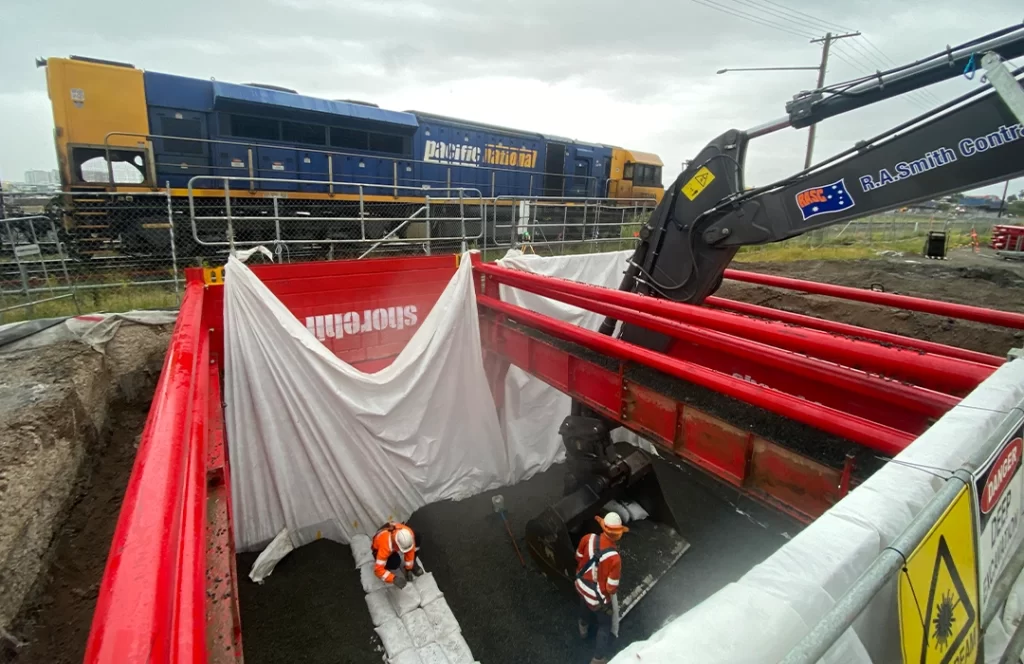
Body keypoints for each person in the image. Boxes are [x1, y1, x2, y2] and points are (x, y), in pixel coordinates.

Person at [575, 512, 628, 664]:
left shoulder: (588, 538)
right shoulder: (615, 558)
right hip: (597, 597)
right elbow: (611, 587)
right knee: (604, 624)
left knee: (585, 602)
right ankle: (598, 658)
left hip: (581, 585)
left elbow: (578, 557)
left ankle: (583, 626)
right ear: (618, 535)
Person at [371, 521, 421, 589]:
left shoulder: (408, 533)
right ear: (396, 543)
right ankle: (387, 563)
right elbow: (378, 570)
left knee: (417, 536)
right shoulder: (385, 546)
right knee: (395, 563)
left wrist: (408, 568)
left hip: (390, 532)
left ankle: (413, 563)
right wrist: (393, 579)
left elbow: (410, 551)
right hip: (378, 545)